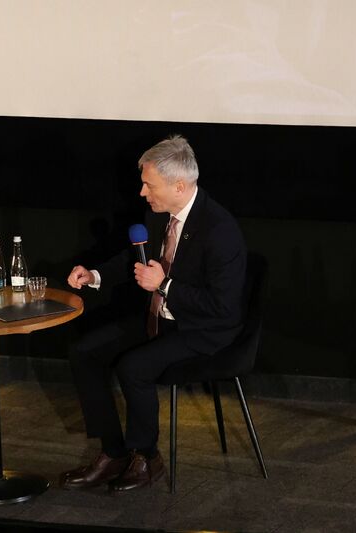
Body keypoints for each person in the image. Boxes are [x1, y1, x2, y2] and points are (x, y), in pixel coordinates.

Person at [61, 135, 246, 492]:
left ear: (179, 185)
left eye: (149, 185)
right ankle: (113, 452)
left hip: (204, 329)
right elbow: (137, 258)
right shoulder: (159, 214)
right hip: (159, 319)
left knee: (134, 367)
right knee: (84, 352)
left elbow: (223, 307)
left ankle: (147, 458)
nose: (143, 193)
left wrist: (166, 286)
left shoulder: (220, 230)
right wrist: (95, 275)